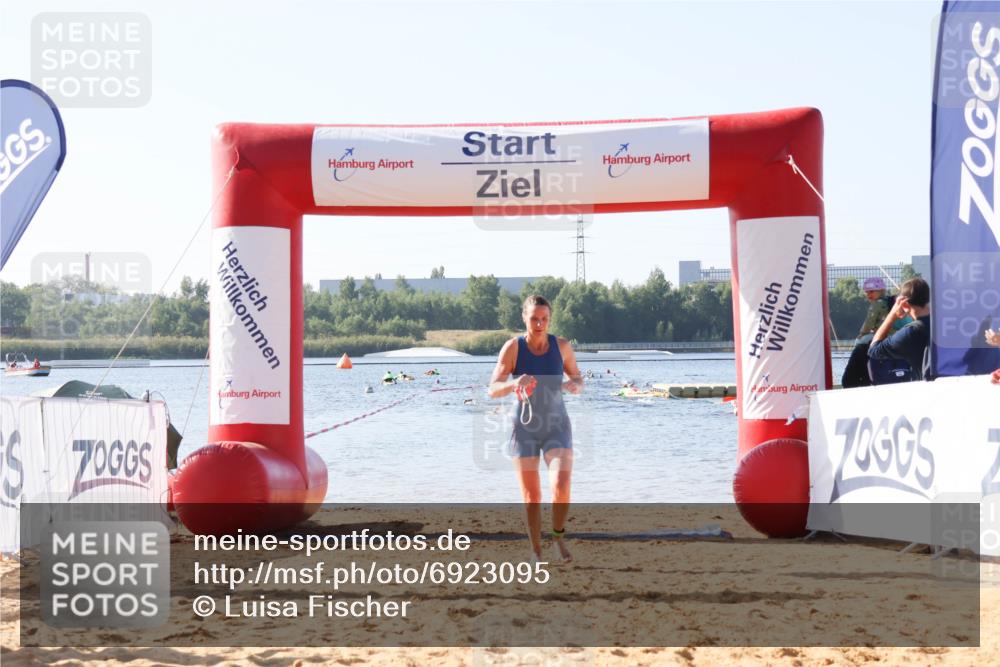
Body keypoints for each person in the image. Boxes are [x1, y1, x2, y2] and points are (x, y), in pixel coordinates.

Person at [489, 295, 583, 563]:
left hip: (557, 426)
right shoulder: (513, 348)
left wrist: (576, 385)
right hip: (524, 428)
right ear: (524, 318)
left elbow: (577, 376)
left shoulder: (561, 346)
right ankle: (535, 550)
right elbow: (493, 389)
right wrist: (514, 382)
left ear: (550, 319)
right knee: (532, 496)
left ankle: (557, 538)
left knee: (561, 485)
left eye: (544, 319)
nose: (539, 323)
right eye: (534, 319)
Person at [841, 277, 902, 388]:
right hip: (893, 336)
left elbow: (869, 322)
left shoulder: (876, 304)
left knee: (860, 343)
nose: (869, 294)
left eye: (872, 291)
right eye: (867, 292)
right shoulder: (891, 302)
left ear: (881, 290)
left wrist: (862, 334)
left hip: (880, 336)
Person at [868, 277, 932, 381]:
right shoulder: (944, 325)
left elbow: (874, 350)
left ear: (904, 303)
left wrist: (892, 315)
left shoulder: (911, 333)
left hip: (927, 389)